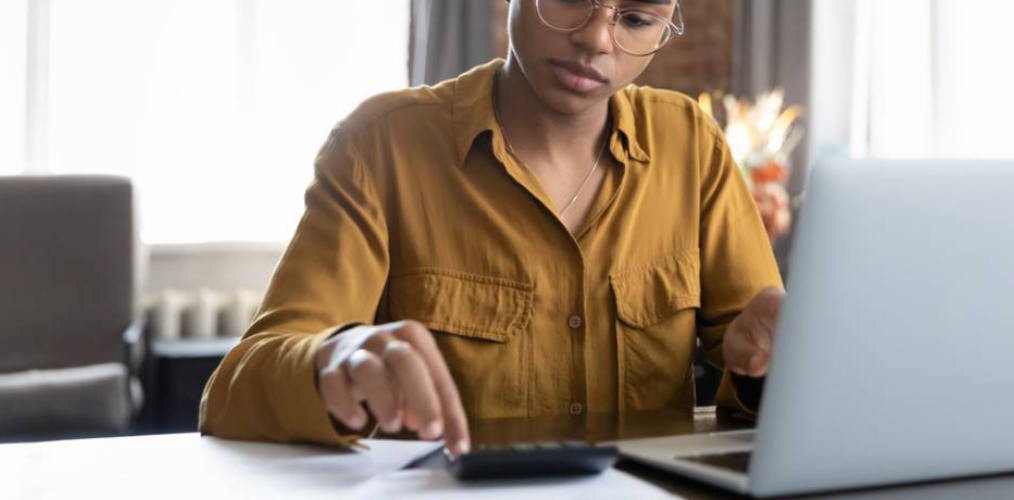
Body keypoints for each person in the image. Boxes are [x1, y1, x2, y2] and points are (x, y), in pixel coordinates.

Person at [199, 0, 784, 457]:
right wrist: (333, 359)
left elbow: (765, 387)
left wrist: (768, 369)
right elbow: (233, 395)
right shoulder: (380, 146)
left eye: (634, 19)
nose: (596, 39)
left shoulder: (692, 147)